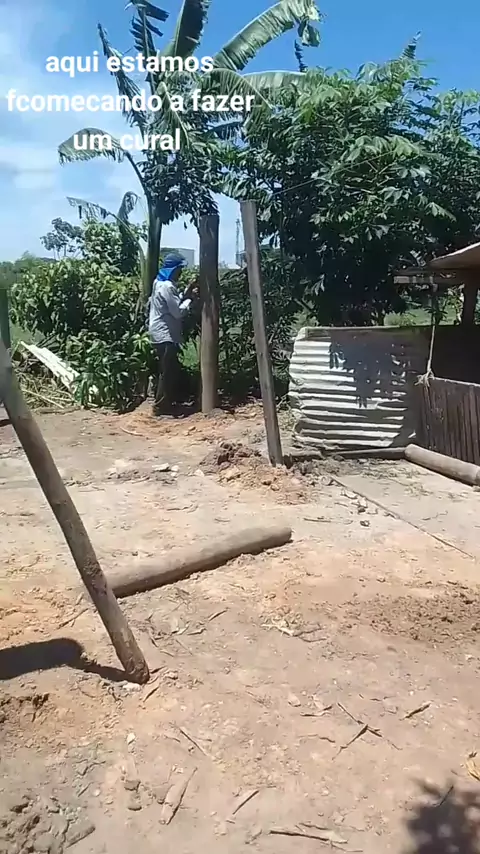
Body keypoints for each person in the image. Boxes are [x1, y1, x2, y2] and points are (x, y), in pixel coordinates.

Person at [147, 252, 197, 415]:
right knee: (168, 372)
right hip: (165, 334)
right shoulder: (167, 286)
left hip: (158, 332)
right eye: (179, 269)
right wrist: (190, 299)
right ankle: (161, 407)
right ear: (173, 269)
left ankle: (165, 403)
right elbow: (178, 312)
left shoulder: (159, 282)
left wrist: (187, 292)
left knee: (167, 370)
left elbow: (172, 302)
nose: (180, 273)